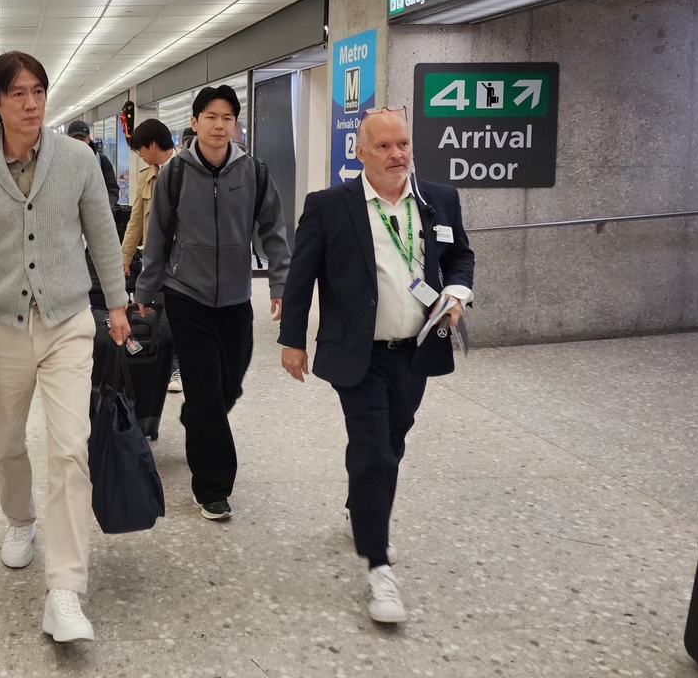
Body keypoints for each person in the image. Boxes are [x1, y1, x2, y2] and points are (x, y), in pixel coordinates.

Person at [0, 51, 129, 643]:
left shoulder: (79, 159)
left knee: (69, 451)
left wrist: (115, 305)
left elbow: (102, 235)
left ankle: (65, 588)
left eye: (38, 90)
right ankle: (20, 520)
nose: (32, 102)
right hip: (1, 328)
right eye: (17, 93)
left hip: (67, 323)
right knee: (7, 441)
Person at [278, 108, 474, 624]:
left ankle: (360, 503)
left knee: (392, 439)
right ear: (359, 152)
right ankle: (379, 566)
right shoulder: (329, 206)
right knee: (374, 449)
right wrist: (291, 340)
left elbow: (460, 259)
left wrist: (455, 294)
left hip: (417, 349)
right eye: (384, 147)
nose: (397, 155)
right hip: (357, 354)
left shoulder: (439, 200)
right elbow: (301, 277)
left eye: (403, 144)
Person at [134, 85, 290, 522]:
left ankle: (197, 419)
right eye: (211, 116)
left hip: (238, 297)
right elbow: (159, 236)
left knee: (229, 385)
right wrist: (146, 292)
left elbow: (274, 230)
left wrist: (280, 283)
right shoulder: (175, 173)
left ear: (235, 124)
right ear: (195, 121)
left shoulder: (254, 172)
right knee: (204, 390)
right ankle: (213, 487)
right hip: (187, 295)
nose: (220, 125)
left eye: (228, 118)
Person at [122, 119, 181, 391]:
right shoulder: (148, 176)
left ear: (154, 145)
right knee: (157, 311)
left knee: (179, 311)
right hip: (153, 256)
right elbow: (136, 221)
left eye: (141, 150)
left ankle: (179, 368)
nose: (140, 156)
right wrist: (124, 257)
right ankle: (165, 366)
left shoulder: (188, 170)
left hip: (183, 257)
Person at [66, 119, 119, 209]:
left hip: (97, 213)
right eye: (75, 140)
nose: (79, 144)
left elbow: (112, 188)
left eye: (82, 139)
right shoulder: (61, 161)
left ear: (88, 139)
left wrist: (108, 207)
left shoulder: (101, 160)